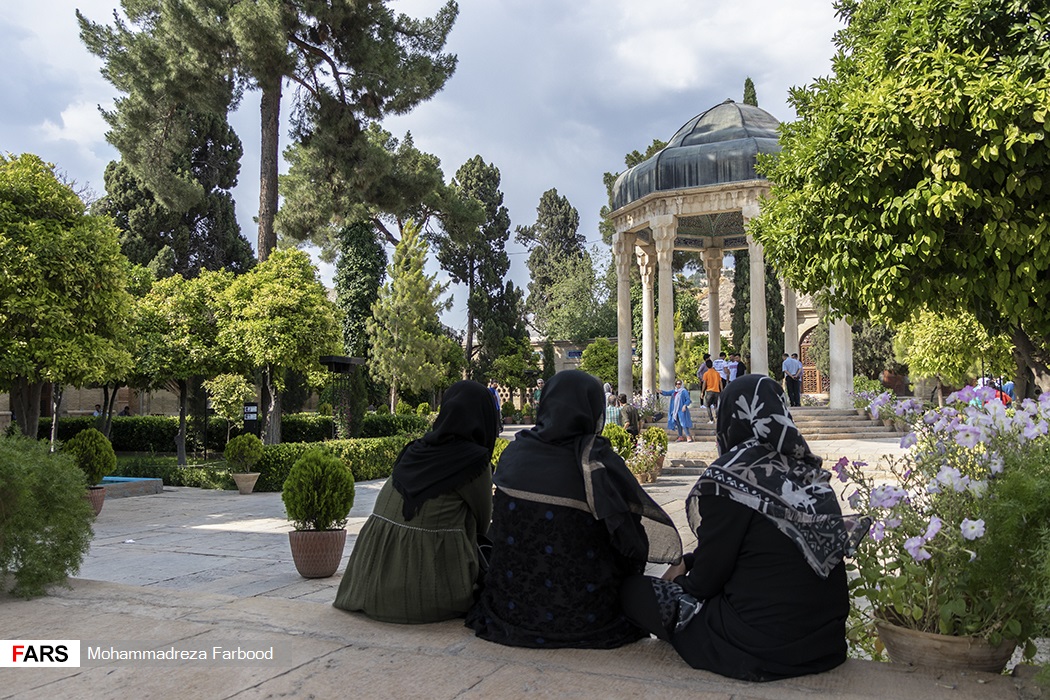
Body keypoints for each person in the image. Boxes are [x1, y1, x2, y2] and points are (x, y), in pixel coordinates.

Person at [619, 374, 869, 681]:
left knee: (635, 591)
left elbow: (706, 581)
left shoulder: (731, 480)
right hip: (824, 647)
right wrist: (688, 562)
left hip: (760, 650)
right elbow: (757, 545)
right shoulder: (810, 475)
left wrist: (676, 586)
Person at [466, 370, 682, 648]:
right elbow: (631, 543)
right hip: (586, 616)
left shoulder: (514, 453)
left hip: (510, 608)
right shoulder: (598, 462)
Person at [334, 380, 499, 624]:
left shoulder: (413, 450)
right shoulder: (475, 462)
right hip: (426, 591)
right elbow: (483, 525)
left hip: (367, 584)